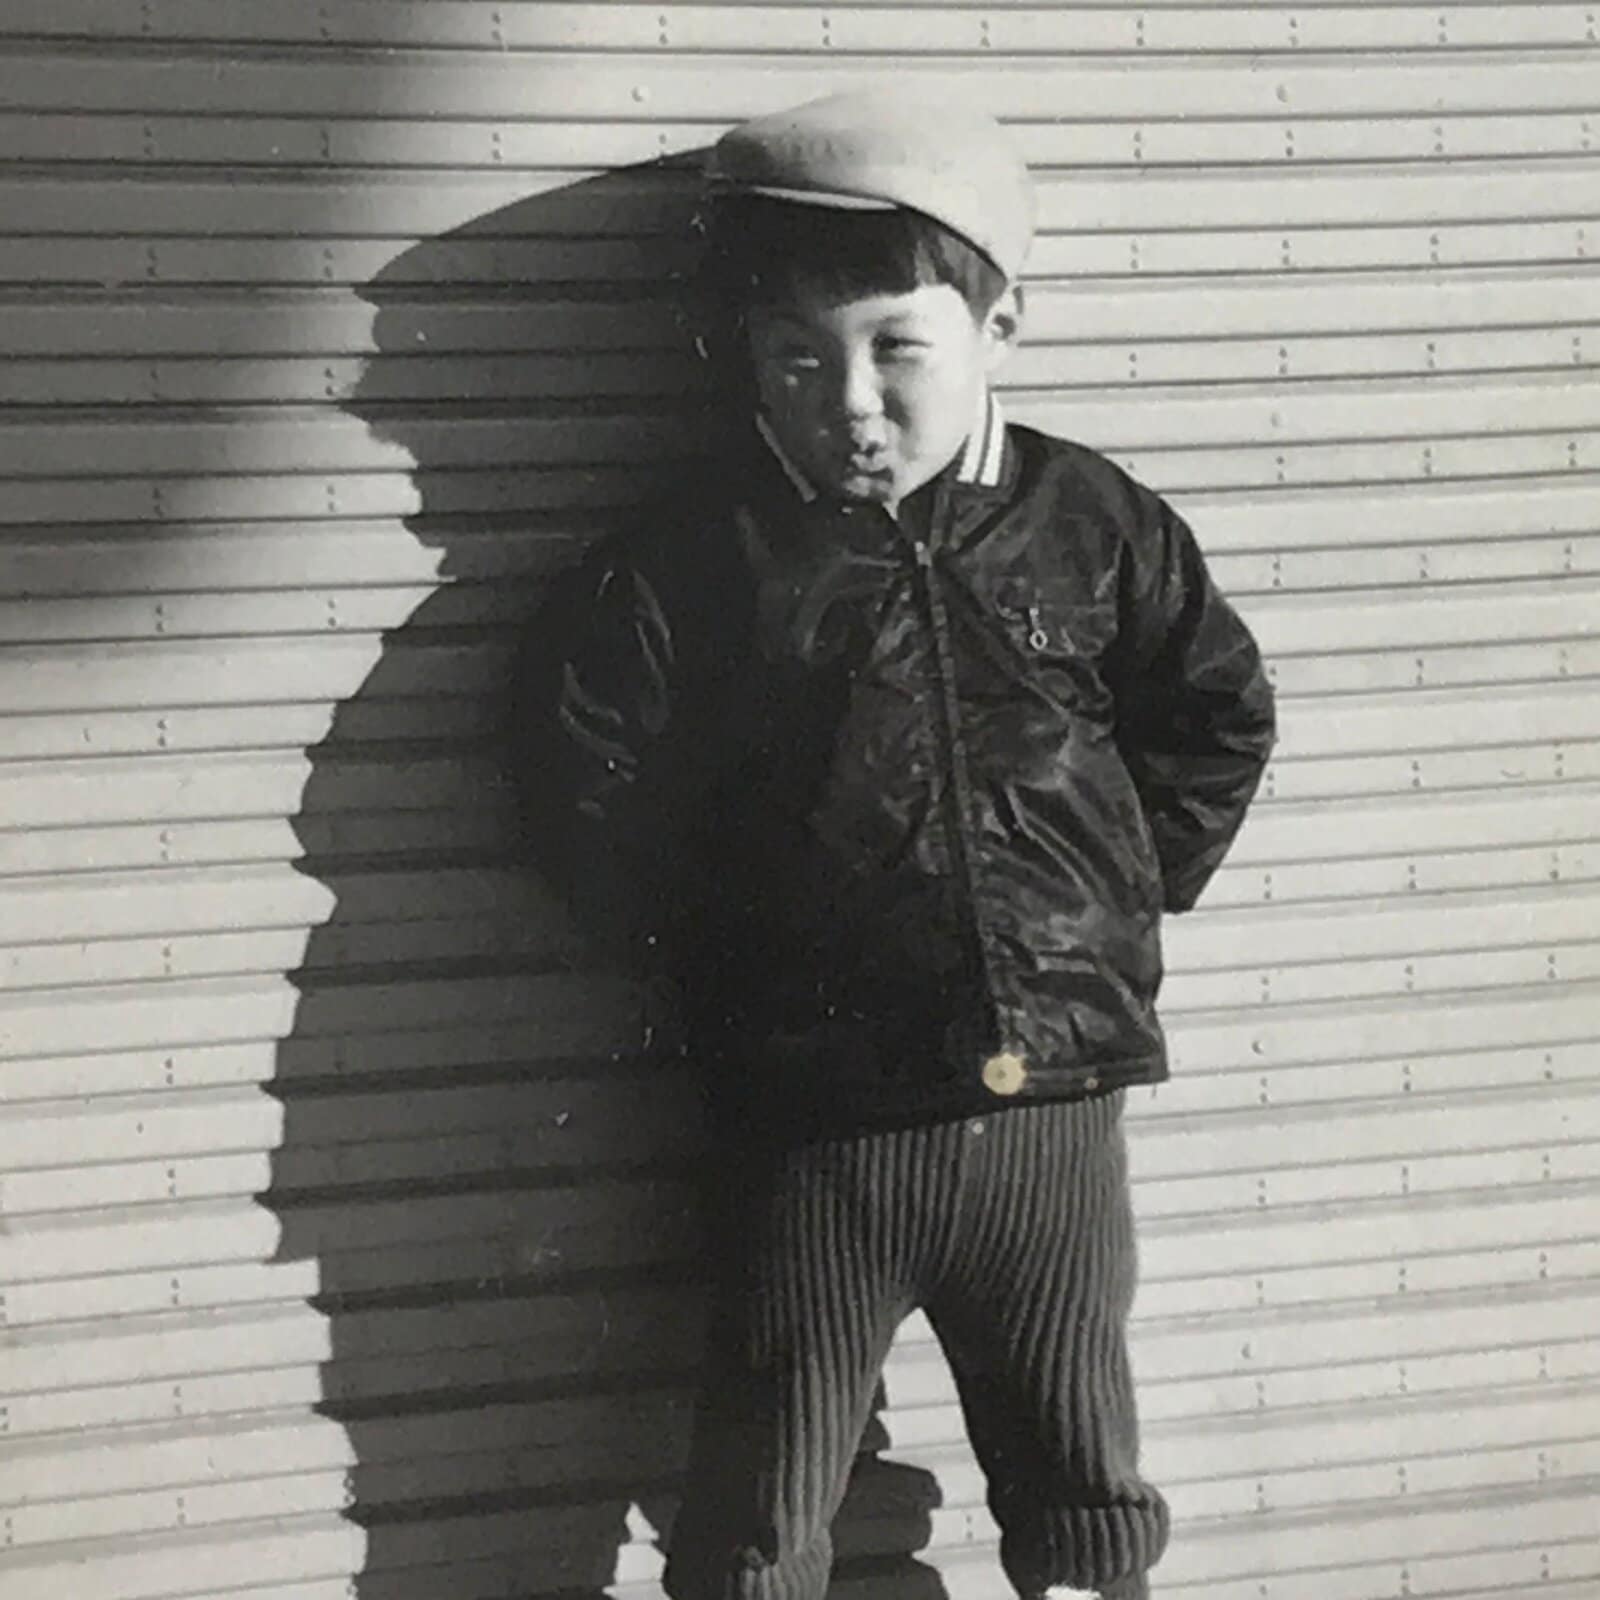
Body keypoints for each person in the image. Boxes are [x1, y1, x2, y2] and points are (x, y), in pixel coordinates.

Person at [511, 85, 1277, 1600]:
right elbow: (582, 769)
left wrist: (1112, 900)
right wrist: (730, 955)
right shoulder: (700, 554)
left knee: (1079, 1463)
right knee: (765, 1496)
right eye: (796, 359)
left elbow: (1214, 715)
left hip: (1050, 1121)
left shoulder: (1092, 521)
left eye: (895, 350)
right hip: (817, 1133)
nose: (848, 403)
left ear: (998, 329)